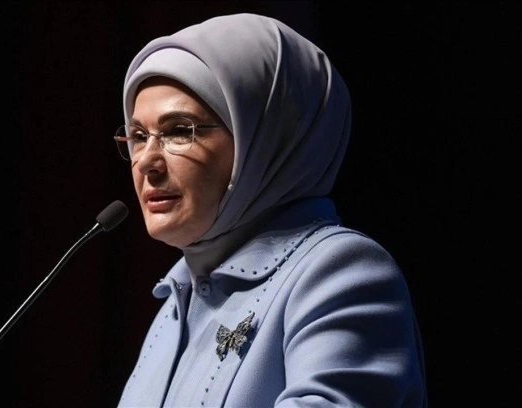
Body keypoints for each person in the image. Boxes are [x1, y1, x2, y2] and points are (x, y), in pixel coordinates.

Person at [112, 13, 427, 407]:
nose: (146, 162)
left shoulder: (343, 272)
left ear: (263, 139)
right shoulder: (175, 306)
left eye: (179, 130)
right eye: (138, 136)